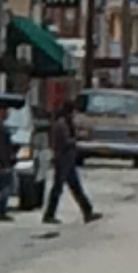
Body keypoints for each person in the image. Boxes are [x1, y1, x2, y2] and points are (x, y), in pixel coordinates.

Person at [41, 92, 100, 225]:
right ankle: (49, 214)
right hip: (63, 160)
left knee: (76, 188)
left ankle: (87, 212)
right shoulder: (61, 125)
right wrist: (77, 139)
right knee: (58, 188)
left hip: (68, 160)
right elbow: (65, 142)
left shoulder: (65, 123)